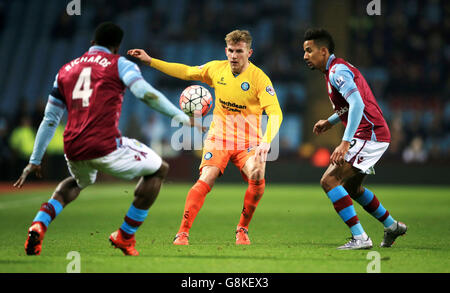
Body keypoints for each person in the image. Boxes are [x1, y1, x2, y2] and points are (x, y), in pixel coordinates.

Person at [14, 22, 193, 256]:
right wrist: (179, 115)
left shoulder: (65, 70)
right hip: (104, 144)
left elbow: (50, 119)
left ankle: (40, 222)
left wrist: (35, 159)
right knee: (160, 169)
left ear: (91, 44)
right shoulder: (119, 64)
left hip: (74, 146)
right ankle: (125, 236)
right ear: (117, 47)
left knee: (78, 182)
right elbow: (145, 94)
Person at [128, 29, 283, 245]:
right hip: (219, 136)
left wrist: (266, 141)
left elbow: (275, 112)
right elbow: (186, 72)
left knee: (257, 173)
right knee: (206, 177)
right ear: (225, 50)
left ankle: (242, 229)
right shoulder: (216, 69)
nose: (234, 55)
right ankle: (182, 232)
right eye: (230, 50)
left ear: (250, 52)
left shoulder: (259, 79)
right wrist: (150, 61)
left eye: (239, 51)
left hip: (248, 141)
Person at [303, 28, 407, 249]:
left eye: (309, 50)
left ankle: (360, 238)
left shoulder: (337, 71)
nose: (305, 56)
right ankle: (392, 226)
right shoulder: (335, 69)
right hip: (372, 134)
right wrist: (330, 121)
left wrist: (345, 142)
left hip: (369, 135)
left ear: (323, 51)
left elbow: (358, 104)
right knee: (353, 188)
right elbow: (350, 104)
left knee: (329, 181)